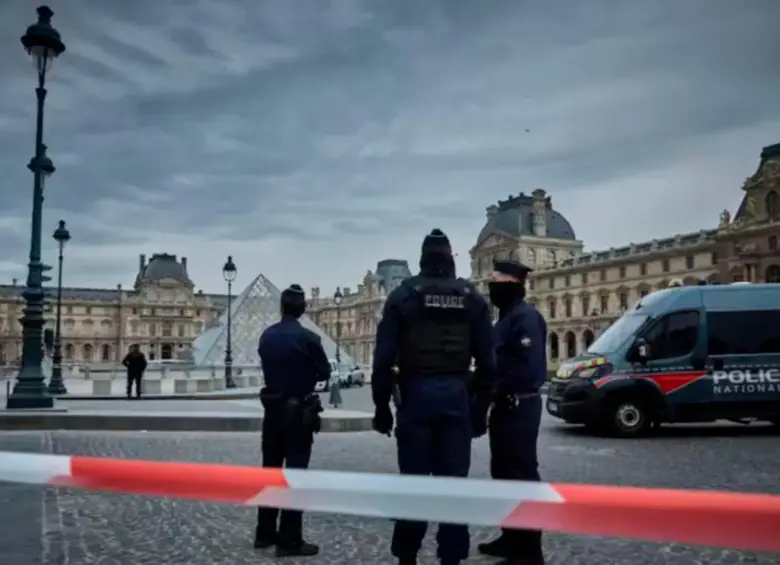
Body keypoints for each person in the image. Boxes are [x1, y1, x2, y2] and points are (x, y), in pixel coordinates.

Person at [372, 229, 497, 565]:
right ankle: (451, 558)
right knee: (454, 487)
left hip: (415, 397)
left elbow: (382, 361)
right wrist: (480, 410)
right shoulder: (471, 298)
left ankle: (407, 557)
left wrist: (381, 408)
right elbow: (489, 363)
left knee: (413, 485)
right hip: (457, 397)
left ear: (422, 260)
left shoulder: (403, 296)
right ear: (451, 259)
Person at [478, 260, 547, 565]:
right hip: (505, 405)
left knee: (522, 475)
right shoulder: (506, 317)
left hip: (520, 404)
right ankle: (511, 537)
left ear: (513, 283)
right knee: (503, 473)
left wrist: (494, 387)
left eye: (496, 281)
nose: (491, 287)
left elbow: (527, 369)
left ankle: (529, 551)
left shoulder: (525, 317)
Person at [255, 284, 331, 557]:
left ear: (281, 307)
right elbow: (324, 371)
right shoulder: (309, 338)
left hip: (271, 410)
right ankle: (289, 540)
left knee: (270, 471)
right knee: (295, 474)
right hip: (298, 412)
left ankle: (264, 533)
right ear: (303, 309)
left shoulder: (267, 336)